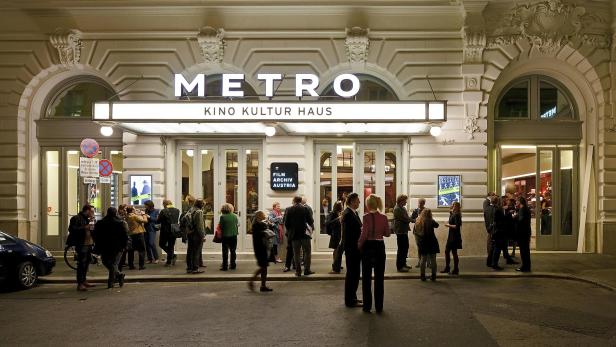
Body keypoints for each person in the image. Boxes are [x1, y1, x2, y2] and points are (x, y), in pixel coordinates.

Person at [358, 194, 391, 313]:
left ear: (368, 204)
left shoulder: (365, 217)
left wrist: (359, 245)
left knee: (366, 278)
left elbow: (364, 234)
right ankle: (379, 306)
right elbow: (387, 234)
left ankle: (367, 306)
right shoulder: (383, 217)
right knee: (379, 278)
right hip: (380, 247)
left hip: (368, 247)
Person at [93, 207, 129, 289]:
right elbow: (125, 236)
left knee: (107, 262)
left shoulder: (100, 223)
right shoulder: (121, 223)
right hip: (117, 247)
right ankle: (118, 276)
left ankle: (111, 281)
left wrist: (97, 245)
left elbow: (96, 235)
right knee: (114, 264)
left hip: (105, 246)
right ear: (116, 213)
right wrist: (124, 246)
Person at [68, 204, 96, 291]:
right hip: (81, 243)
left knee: (86, 263)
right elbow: (72, 229)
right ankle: (80, 284)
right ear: (87, 210)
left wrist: (92, 223)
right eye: (92, 211)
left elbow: (91, 230)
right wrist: (84, 227)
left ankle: (84, 281)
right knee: (81, 263)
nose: (93, 213)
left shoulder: (88, 219)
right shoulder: (76, 218)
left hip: (88, 243)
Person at [284, 196, 314, 277]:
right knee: (307, 252)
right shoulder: (305, 209)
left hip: (294, 235)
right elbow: (311, 221)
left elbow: (286, 223)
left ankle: (298, 272)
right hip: (305, 234)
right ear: (301, 201)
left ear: (294, 200)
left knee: (296, 253)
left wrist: (291, 230)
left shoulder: (289, 209)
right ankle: (307, 270)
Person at [342, 193, 362, 307]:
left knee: (354, 274)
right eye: (358, 200)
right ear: (352, 202)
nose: (359, 202)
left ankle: (353, 297)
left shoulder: (353, 213)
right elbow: (350, 234)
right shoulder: (348, 214)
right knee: (352, 275)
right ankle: (350, 301)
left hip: (354, 248)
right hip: (352, 249)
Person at [249, 211, 273, 292]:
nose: (265, 216)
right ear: (260, 216)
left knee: (264, 267)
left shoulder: (256, 224)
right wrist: (267, 232)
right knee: (263, 267)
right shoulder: (260, 225)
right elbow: (263, 234)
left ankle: (263, 286)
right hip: (262, 248)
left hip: (259, 248)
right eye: (263, 215)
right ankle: (252, 281)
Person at [415, 208, 440, 281]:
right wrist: (432, 218)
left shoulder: (419, 221)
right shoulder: (431, 221)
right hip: (432, 241)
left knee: (423, 259)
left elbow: (416, 231)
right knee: (433, 259)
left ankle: (422, 276)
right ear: (430, 214)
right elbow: (437, 225)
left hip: (423, 242)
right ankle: (433, 276)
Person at [158, 199, 180, 266]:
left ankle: (170, 260)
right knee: (171, 246)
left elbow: (158, 221)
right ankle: (170, 258)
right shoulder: (177, 210)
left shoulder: (163, 211)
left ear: (165, 204)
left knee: (161, 244)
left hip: (165, 230)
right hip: (174, 230)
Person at [442, 201, 462, 275]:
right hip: (451, 236)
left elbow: (456, 226)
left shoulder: (457, 215)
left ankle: (455, 269)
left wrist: (448, 225)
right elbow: (451, 221)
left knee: (453, 252)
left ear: (456, 206)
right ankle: (448, 268)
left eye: (453, 205)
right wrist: (450, 213)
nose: (451, 205)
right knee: (447, 251)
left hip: (455, 236)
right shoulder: (453, 214)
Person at [393, 194, 412, 272]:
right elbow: (405, 219)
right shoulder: (397, 209)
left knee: (405, 248)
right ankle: (400, 266)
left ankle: (404, 264)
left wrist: (410, 218)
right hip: (400, 231)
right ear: (401, 200)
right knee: (401, 249)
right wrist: (413, 219)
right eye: (405, 200)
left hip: (404, 231)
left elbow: (407, 217)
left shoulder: (402, 208)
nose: (406, 202)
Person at [187, 199, 206, 274]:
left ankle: (189, 268)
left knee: (190, 251)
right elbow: (200, 225)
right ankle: (195, 268)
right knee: (196, 251)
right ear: (201, 205)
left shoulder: (191, 209)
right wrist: (202, 235)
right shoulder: (199, 212)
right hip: (196, 234)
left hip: (190, 233)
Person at [126, 206, 147, 270]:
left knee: (131, 251)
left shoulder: (127, 216)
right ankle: (141, 266)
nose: (135, 210)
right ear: (132, 210)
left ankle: (131, 265)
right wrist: (144, 214)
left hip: (131, 234)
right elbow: (145, 221)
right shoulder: (134, 216)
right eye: (134, 209)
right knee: (142, 250)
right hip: (138, 234)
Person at [219, 203, 239, 271]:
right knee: (233, 251)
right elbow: (237, 224)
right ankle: (233, 265)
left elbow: (221, 226)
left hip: (225, 236)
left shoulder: (222, 217)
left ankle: (225, 266)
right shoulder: (235, 216)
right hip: (234, 235)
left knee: (225, 251)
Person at [514, 196, 532, 272]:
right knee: (526, 251)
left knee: (523, 251)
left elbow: (521, 221)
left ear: (520, 202)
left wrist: (515, 217)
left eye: (517, 201)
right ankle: (527, 266)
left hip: (522, 233)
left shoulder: (522, 210)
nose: (516, 202)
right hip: (527, 232)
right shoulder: (526, 209)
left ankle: (524, 267)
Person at [490, 196, 507, 271]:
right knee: (497, 248)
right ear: (498, 201)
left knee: (496, 248)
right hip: (499, 231)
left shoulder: (492, 209)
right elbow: (498, 221)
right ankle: (494, 264)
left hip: (496, 231)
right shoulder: (498, 210)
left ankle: (493, 263)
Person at [327, 201, 344, 274]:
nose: (342, 206)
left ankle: (337, 264)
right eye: (341, 205)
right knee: (336, 250)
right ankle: (335, 265)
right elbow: (329, 223)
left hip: (340, 234)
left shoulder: (340, 212)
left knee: (338, 250)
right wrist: (338, 219)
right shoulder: (332, 213)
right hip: (335, 234)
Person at [410, 198, 427, 268]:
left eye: (422, 203)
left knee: (425, 247)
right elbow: (411, 219)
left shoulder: (426, 211)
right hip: (417, 231)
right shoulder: (415, 211)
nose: (420, 204)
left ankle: (426, 262)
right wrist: (417, 220)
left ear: (424, 203)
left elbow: (429, 219)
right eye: (419, 202)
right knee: (419, 247)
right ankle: (420, 262)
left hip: (425, 231)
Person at [143, 200, 160, 264]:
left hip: (152, 229)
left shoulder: (156, 211)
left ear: (149, 205)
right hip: (145, 229)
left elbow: (157, 220)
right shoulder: (146, 211)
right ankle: (150, 259)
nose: (145, 206)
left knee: (151, 243)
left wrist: (149, 217)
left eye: (146, 205)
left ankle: (156, 258)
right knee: (147, 244)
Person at [483, 192, 497, 267]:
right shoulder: (486, 202)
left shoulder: (489, 204)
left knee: (491, 244)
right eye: (493, 195)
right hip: (491, 226)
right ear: (490, 196)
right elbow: (487, 215)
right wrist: (490, 226)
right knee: (490, 244)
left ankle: (490, 260)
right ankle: (490, 260)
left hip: (491, 226)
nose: (494, 196)